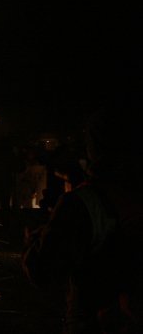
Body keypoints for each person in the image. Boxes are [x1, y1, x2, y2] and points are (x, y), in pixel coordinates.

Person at [22, 97, 142, 334]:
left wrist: (33, 241)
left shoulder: (84, 202)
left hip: (97, 321)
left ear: (96, 146)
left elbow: (44, 271)